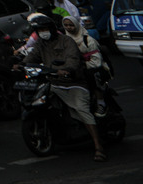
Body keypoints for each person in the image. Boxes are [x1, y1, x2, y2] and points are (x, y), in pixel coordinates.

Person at [21, 14, 106, 162]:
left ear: (52, 29)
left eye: (44, 29)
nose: (42, 32)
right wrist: (20, 65)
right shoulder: (41, 43)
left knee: (81, 109)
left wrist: (66, 70)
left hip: (73, 83)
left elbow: (73, 59)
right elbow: (31, 57)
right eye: (39, 30)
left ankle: (98, 147)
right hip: (53, 83)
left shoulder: (67, 41)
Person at [61, 14, 108, 116]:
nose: (68, 27)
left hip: (90, 68)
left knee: (93, 78)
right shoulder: (64, 41)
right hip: (73, 68)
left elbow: (96, 61)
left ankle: (101, 104)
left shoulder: (88, 40)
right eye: (66, 25)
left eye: (71, 25)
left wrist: (82, 65)